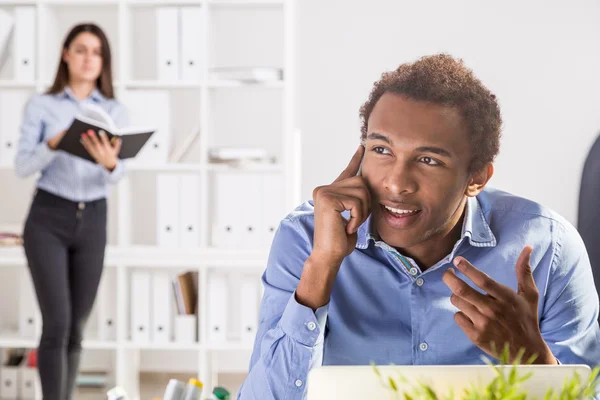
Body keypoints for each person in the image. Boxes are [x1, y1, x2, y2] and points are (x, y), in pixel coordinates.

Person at [238, 54, 600, 399]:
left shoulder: (549, 247)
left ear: (476, 176)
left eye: (428, 160)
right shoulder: (306, 237)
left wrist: (532, 361)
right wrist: (322, 266)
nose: (397, 183)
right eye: (381, 151)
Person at [14, 23, 127, 400]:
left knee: (77, 328)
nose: (88, 58)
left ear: (103, 61)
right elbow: (23, 166)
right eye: (81, 50)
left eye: (96, 52)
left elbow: (120, 173)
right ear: (65, 54)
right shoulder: (41, 106)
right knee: (56, 323)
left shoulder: (113, 110)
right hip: (48, 218)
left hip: (93, 218)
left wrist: (110, 162)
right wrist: (55, 142)